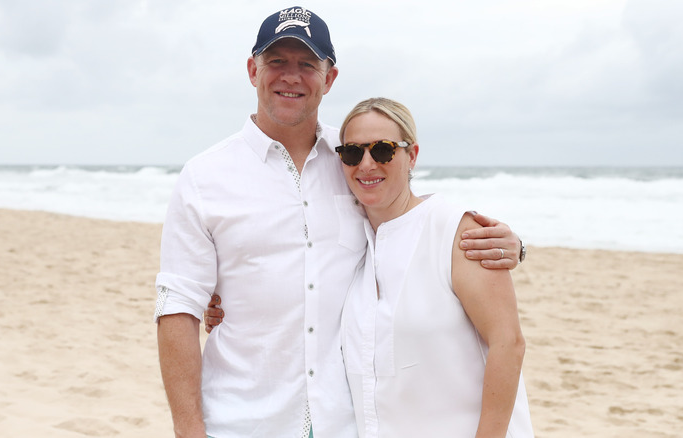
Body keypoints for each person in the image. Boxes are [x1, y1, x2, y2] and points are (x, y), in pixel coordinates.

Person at [156, 7, 524, 438]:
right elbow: (178, 308)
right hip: (242, 419)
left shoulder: (354, 156)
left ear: (329, 78)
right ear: (253, 70)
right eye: (277, 61)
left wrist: (513, 244)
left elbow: (413, 219)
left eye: (307, 64)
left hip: (346, 421)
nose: (291, 76)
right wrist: (188, 428)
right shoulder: (204, 177)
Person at [336, 97, 535, 437]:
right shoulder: (353, 242)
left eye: (383, 150)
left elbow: (509, 343)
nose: (366, 164)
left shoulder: (456, 230)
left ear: (411, 155)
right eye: (352, 153)